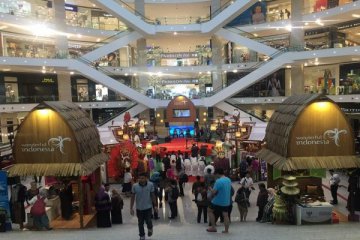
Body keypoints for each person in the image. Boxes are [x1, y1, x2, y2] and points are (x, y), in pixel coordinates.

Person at [130, 173, 157, 240]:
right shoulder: (135, 186)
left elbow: (153, 195)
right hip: (139, 208)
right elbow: (132, 197)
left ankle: (150, 228)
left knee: (149, 221)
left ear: (146, 178)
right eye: (139, 178)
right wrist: (131, 208)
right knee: (140, 223)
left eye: (142, 178)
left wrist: (155, 205)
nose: (141, 180)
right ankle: (142, 235)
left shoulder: (150, 185)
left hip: (148, 207)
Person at [206, 168, 231, 234]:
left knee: (209, 210)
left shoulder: (218, 181)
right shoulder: (228, 179)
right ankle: (226, 230)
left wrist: (210, 188)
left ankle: (213, 227)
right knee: (225, 215)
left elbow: (214, 192)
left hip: (217, 201)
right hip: (226, 201)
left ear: (217, 174)